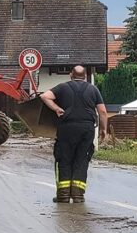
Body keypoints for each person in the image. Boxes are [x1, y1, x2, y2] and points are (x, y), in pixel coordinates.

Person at [40, 65, 108, 203]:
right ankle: (77, 195)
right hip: (86, 129)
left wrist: (56, 108)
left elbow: (44, 96)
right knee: (82, 159)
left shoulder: (62, 87)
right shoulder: (93, 89)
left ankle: (63, 195)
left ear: (71, 75)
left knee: (64, 159)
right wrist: (103, 128)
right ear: (85, 76)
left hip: (67, 128)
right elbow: (103, 112)